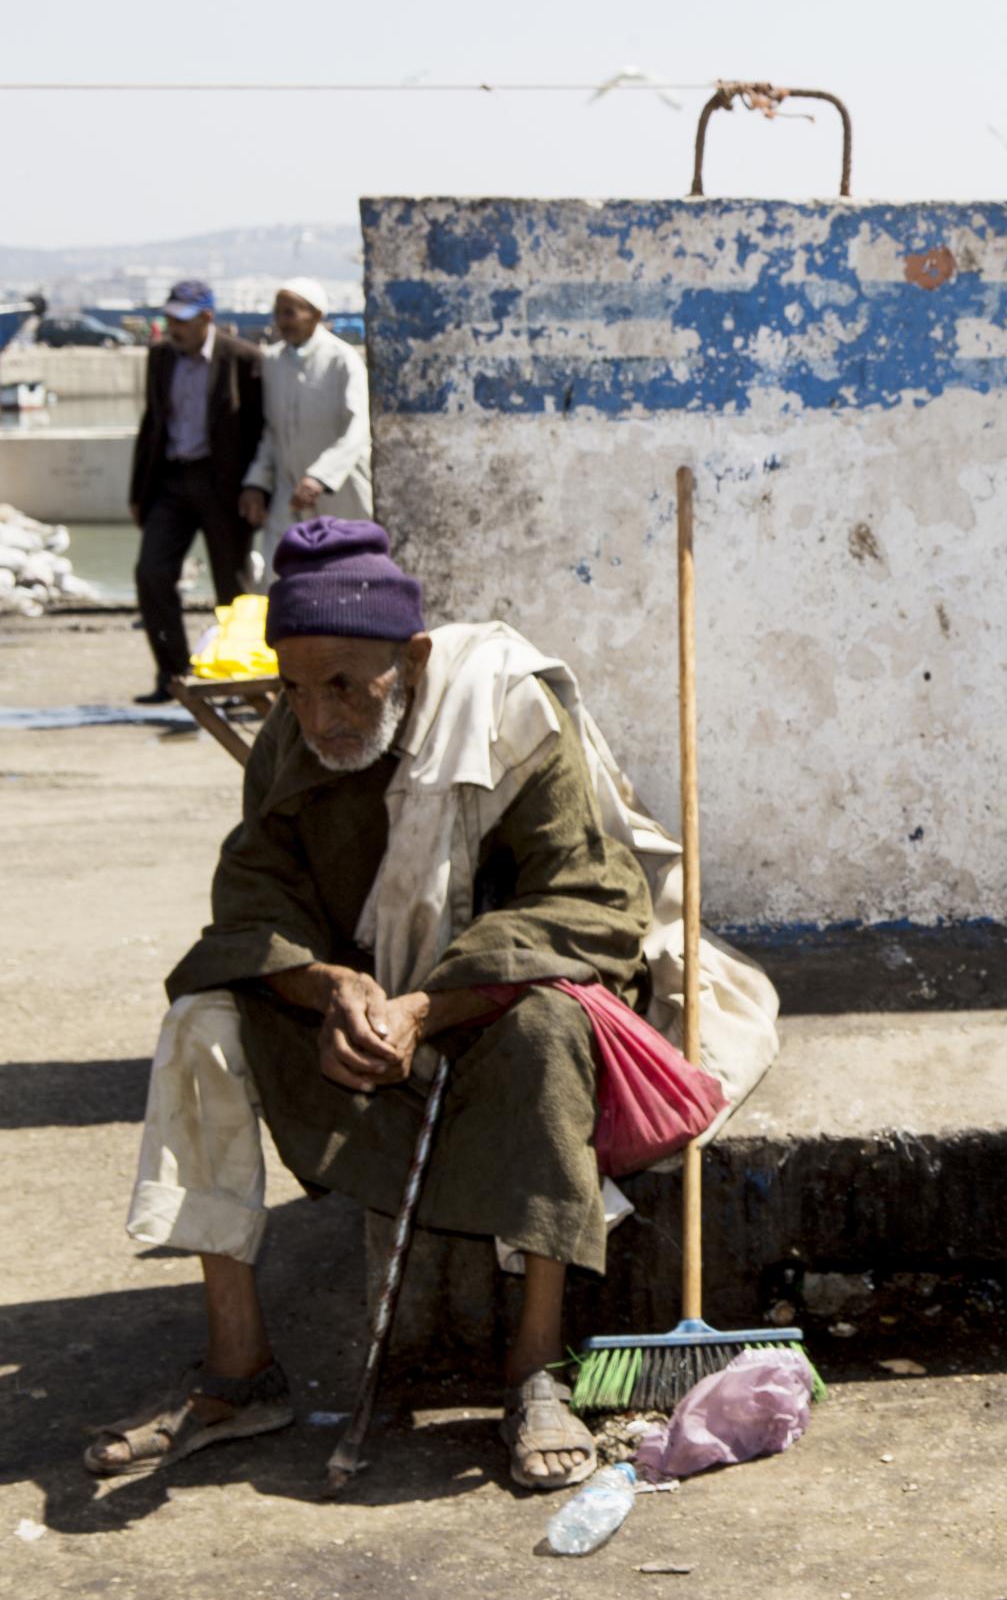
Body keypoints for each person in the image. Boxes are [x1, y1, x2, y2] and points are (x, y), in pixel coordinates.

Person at [84, 519, 779, 1489]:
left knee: (550, 1027)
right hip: (359, 1022)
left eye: (343, 686)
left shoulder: (506, 712)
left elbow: (589, 903)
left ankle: (534, 1364)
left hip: (490, 1003)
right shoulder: (291, 736)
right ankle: (240, 1370)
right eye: (294, 685)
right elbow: (253, 898)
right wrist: (330, 989)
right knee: (202, 1021)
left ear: (410, 658)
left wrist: (427, 1003)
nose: (317, 714)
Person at [129, 279, 264, 704]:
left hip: (223, 486)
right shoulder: (160, 358)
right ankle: (173, 676)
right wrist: (138, 491)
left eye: (182, 320)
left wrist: (256, 487)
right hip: (170, 481)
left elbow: (260, 430)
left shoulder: (243, 359)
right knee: (152, 573)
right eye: (169, 319)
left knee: (233, 587)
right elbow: (152, 423)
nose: (173, 328)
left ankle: (240, 683)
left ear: (208, 318)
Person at [242, 277, 372, 577]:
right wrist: (257, 482)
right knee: (280, 573)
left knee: (347, 573)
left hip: (338, 491)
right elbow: (272, 433)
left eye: (291, 313)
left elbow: (357, 429)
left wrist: (320, 477)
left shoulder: (343, 360)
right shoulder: (273, 362)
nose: (282, 322)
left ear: (315, 315)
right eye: (279, 313)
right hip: (290, 490)